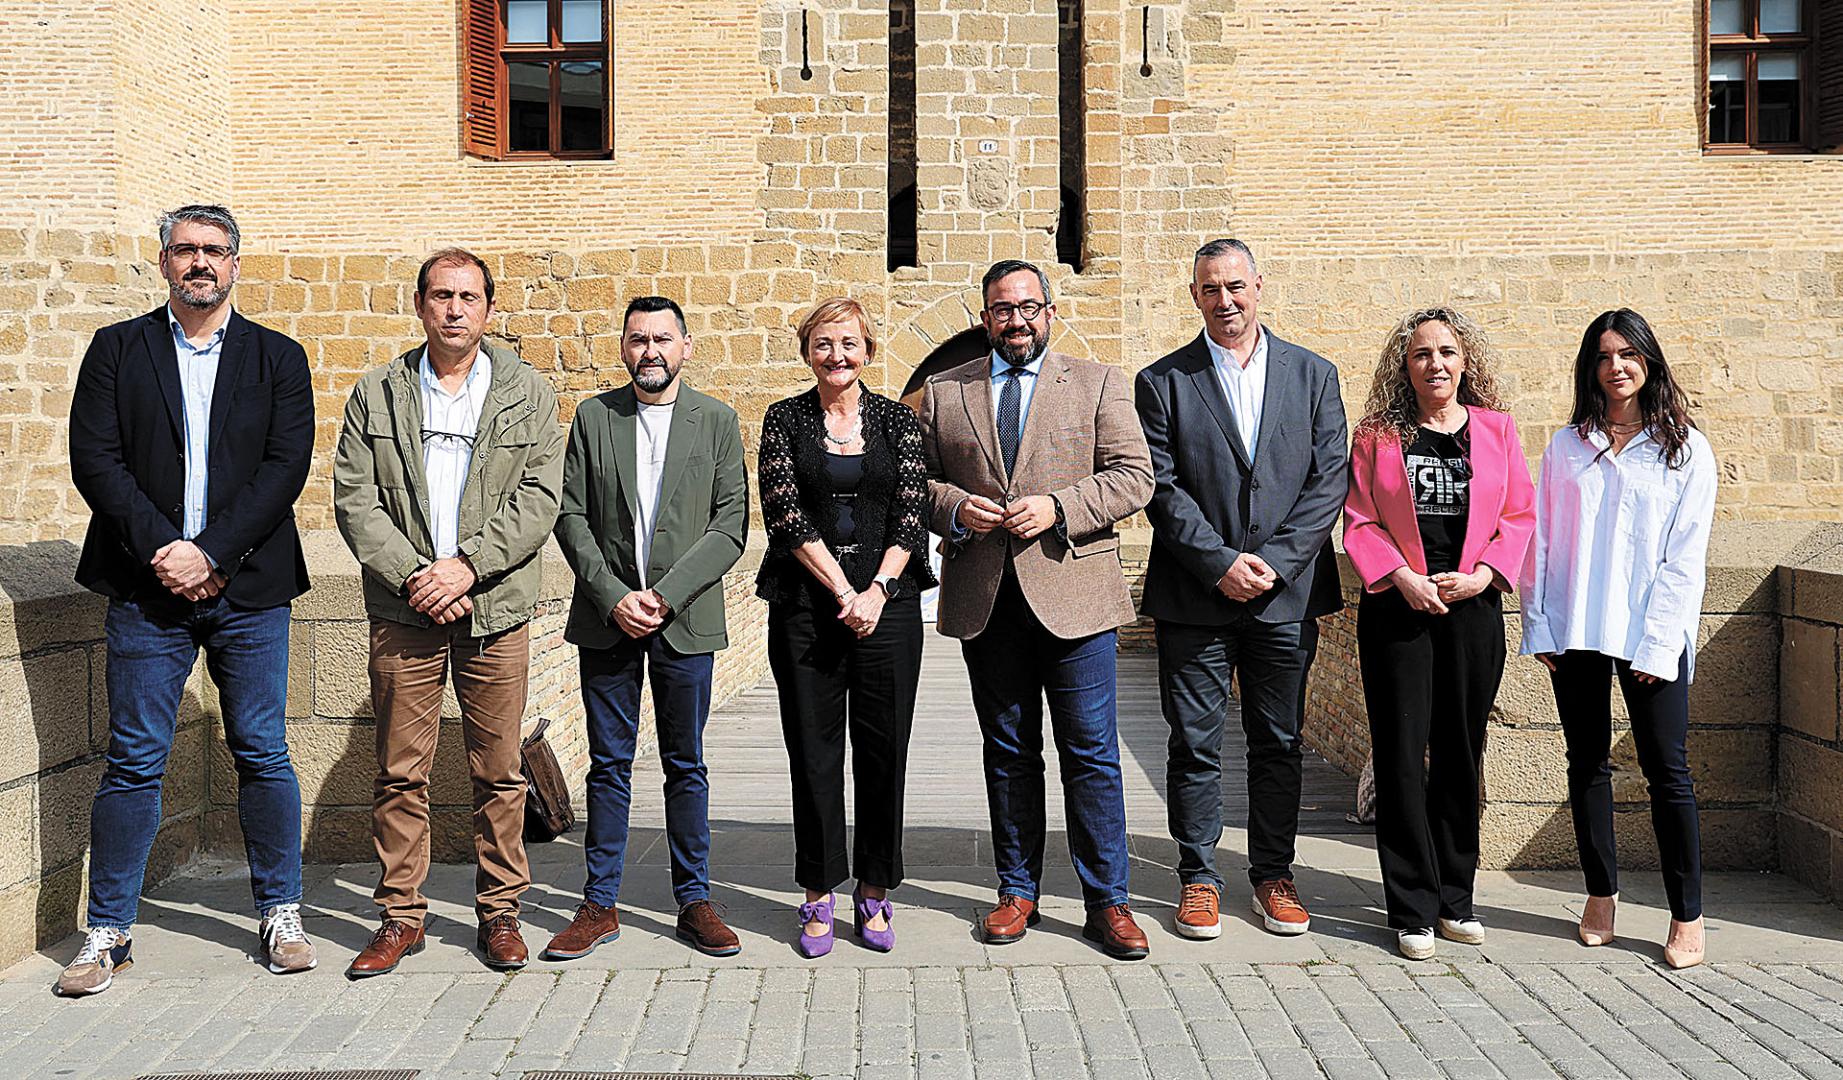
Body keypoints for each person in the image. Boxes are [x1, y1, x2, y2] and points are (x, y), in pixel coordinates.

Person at [61, 204, 316, 995]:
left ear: (237, 262)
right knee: (135, 760)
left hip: (250, 590)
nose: (199, 262)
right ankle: (107, 932)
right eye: (185, 250)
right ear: (163, 261)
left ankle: (280, 912)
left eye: (213, 250)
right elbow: (95, 462)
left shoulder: (279, 357)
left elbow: (284, 468)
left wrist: (211, 553)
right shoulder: (116, 350)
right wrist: (168, 552)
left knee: (263, 751)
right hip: (146, 589)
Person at [332, 247, 565, 977]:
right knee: (401, 773)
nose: (454, 309)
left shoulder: (527, 392)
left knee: (498, 771)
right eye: (441, 296)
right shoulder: (378, 392)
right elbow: (354, 498)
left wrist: (466, 565)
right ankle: (401, 917)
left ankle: (500, 913)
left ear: (489, 309)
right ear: (420, 305)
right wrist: (414, 576)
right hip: (405, 611)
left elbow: (539, 497)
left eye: (468, 297)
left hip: (493, 607)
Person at [918, 259, 1155, 959]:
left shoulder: (1099, 383)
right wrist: (957, 506)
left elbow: (1133, 476)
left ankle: (1106, 902)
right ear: (984, 317)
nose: (1014, 320)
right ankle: (1015, 889)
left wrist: (1056, 507)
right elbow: (917, 484)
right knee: (1009, 753)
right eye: (1000, 309)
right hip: (986, 600)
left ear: (1049, 312)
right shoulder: (943, 391)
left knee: (1090, 755)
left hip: (1075, 596)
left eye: (1027, 307)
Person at [1133, 239, 1348, 941]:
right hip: (1195, 596)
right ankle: (1197, 878)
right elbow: (1159, 487)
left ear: (1258, 285)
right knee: (1193, 744)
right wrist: (1218, 560)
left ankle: (1272, 876)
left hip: (1285, 599)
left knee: (1277, 742)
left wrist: (1278, 563)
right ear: (1193, 295)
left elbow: (1328, 481)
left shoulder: (1314, 375)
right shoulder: (1162, 381)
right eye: (1208, 289)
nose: (1224, 301)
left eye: (1234, 286)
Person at [544, 295, 749, 961]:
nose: (650, 351)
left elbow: (729, 525)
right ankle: (598, 904)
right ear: (623, 347)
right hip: (609, 623)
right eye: (637, 339)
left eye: (663, 339)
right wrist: (612, 596)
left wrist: (664, 595)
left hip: (683, 621)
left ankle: (694, 900)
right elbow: (570, 515)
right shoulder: (594, 417)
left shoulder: (716, 421)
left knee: (684, 763)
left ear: (685, 346)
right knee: (608, 765)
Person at [1521, 308, 1717, 970]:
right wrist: (1539, 622)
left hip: (1648, 634)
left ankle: (1686, 915)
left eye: (1628, 354)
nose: (1616, 366)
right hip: (1576, 628)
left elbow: (1685, 558)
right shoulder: (1565, 446)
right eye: (1603, 356)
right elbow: (1541, 541)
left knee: (1669, 773)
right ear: (1589, 368)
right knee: (1586, 765)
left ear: (1648, 361)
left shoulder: (1684, 448)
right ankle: (1599, 894)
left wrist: (1660, 644)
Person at [1342, 307, 1535, 960]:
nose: (1436, 364)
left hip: (1471, 612)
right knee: (1399, 758)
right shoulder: (1377, 435)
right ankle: (1410, 908)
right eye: (1422, 354)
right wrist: (1400, 576)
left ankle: (1456, 897)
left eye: (1447, 352)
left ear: (1464, 361)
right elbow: (1359, 520)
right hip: (1399, 611)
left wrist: (1483, 575)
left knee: (1459, 753)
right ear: (1405, 365)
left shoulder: (1495, 430)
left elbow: (1518, 513)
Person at [757, 297, 933, 957]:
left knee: (885, 753)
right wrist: (842, 591)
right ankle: (817, 891)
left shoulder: (897, 421)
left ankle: (876, 890)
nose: (837, 355)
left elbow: (911, 515)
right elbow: (784, 512)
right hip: (806, 611)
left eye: (849, 343)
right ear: (808, 351)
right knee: (813, 752)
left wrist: (878, 590)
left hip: (889, 609)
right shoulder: (783, 419)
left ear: (867, 350)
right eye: (824, 343)